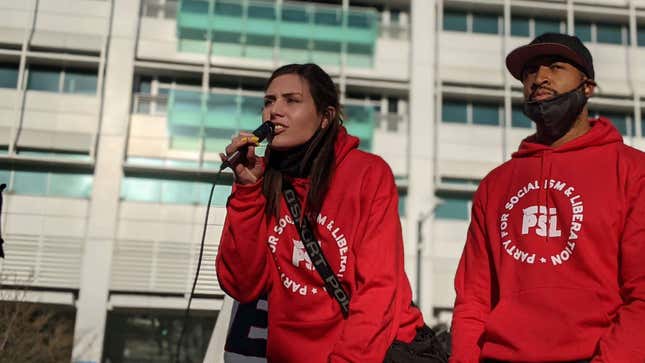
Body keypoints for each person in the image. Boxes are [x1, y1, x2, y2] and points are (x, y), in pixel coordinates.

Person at [450, 33, 645, 363]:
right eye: (529, 72)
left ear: (587, 87)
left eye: (555, 67)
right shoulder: (495, 185)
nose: (539, 78)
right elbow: (474, 299)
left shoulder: (632, 171)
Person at [215, 63, 425, 362]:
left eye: (291, 100)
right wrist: (246, 191)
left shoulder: (367, 173)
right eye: (269, 101)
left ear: (325, 117)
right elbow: (241, 284)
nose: (274, 111)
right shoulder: (265, 179)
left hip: (367, 354)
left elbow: (378, 289)